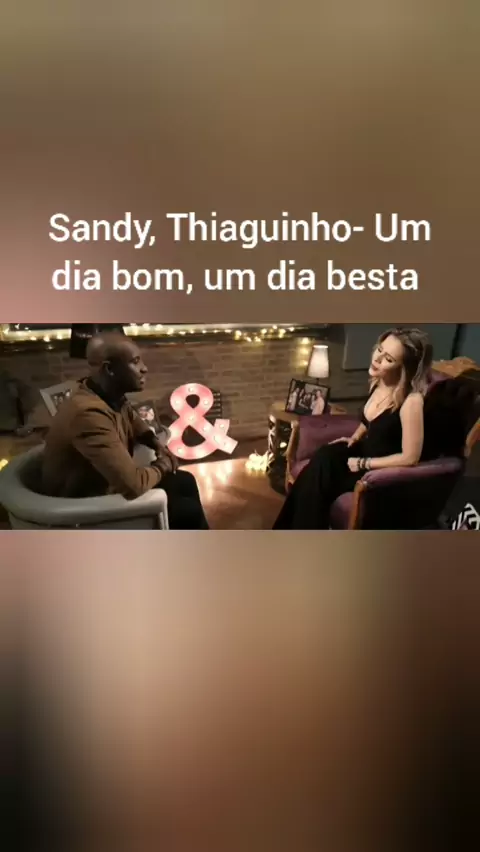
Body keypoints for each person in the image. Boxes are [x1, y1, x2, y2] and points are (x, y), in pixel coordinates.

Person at [41, 333, 209, 529]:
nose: (144, 368)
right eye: (135, 362)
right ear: (110, 369)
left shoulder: (103, 393)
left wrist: (156, 444)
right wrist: (164, 464)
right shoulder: (88, 414)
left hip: (103, 489)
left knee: (185, 481)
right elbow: (134, 486)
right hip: (82, 510)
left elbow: (132, 418)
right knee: (187, 511)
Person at [273, 327, 433, 529]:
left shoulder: (412, 402)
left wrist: (363, 463)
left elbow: (411, 458)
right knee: (323, 458)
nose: (377, 359)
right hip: (361, 453)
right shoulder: (379, 382)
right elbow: (369, 421)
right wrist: (355, 438)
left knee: (319, 475)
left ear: (403, 369)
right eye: (379, 350)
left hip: (379, 470)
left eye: (388, 359)